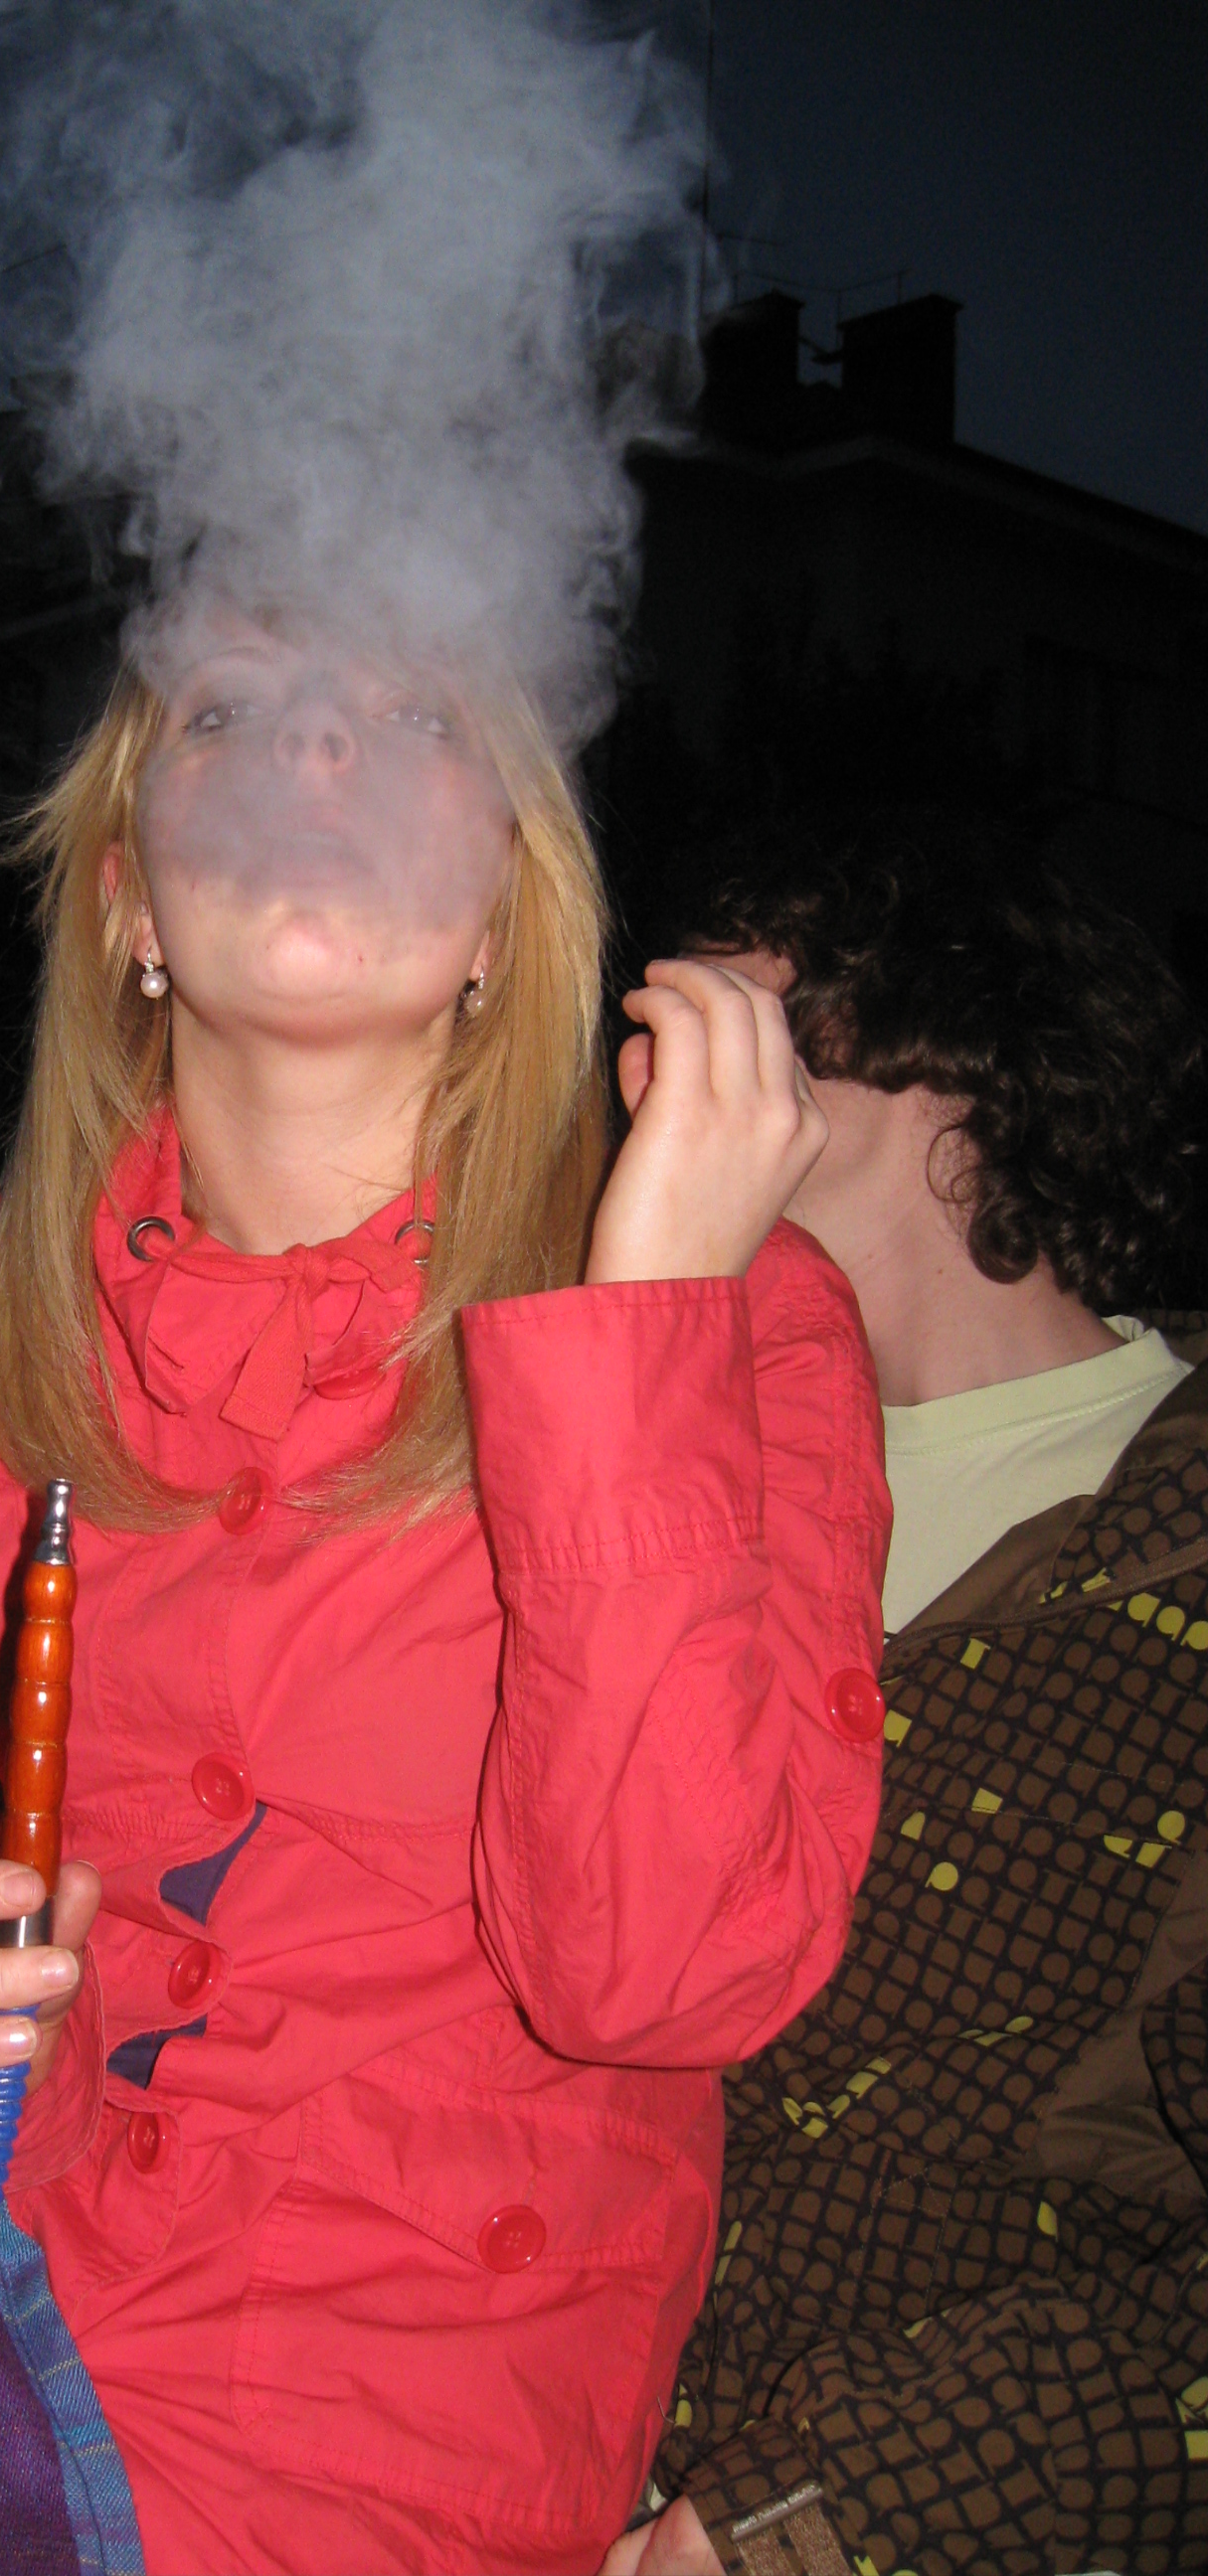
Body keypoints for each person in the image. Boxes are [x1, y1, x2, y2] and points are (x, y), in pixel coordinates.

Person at [0, 611, 892, 2575]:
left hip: (410, 2403)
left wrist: (644, 1332)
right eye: (234, 713)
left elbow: (665, 1980)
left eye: (411, 715)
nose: (321, 756)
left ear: (508, 915)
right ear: (129, 903)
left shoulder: (740, 1318)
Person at [609, 819, 1208, 2576]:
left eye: (739, 1018)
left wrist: (838, 2506)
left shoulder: (1180, 1559)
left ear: (957, 1071)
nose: (648, 1075)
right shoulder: (635, 1494)